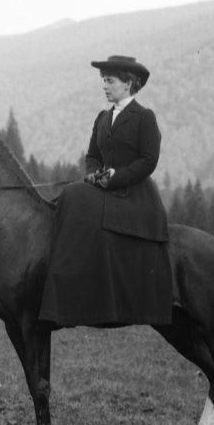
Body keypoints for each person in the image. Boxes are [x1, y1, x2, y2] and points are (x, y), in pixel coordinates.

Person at [39, 55, 172, 327]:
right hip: (103, 190)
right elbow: (92, 155)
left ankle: (63, 296)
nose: (105, 86)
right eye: (104, 81)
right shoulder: (102, 117)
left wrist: (115, 177)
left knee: (72, 195)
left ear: (128, 84)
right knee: (71, 195)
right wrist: (93, 173)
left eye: (109, 81)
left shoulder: (144, 117)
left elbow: (149, 161)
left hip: (133, 196)